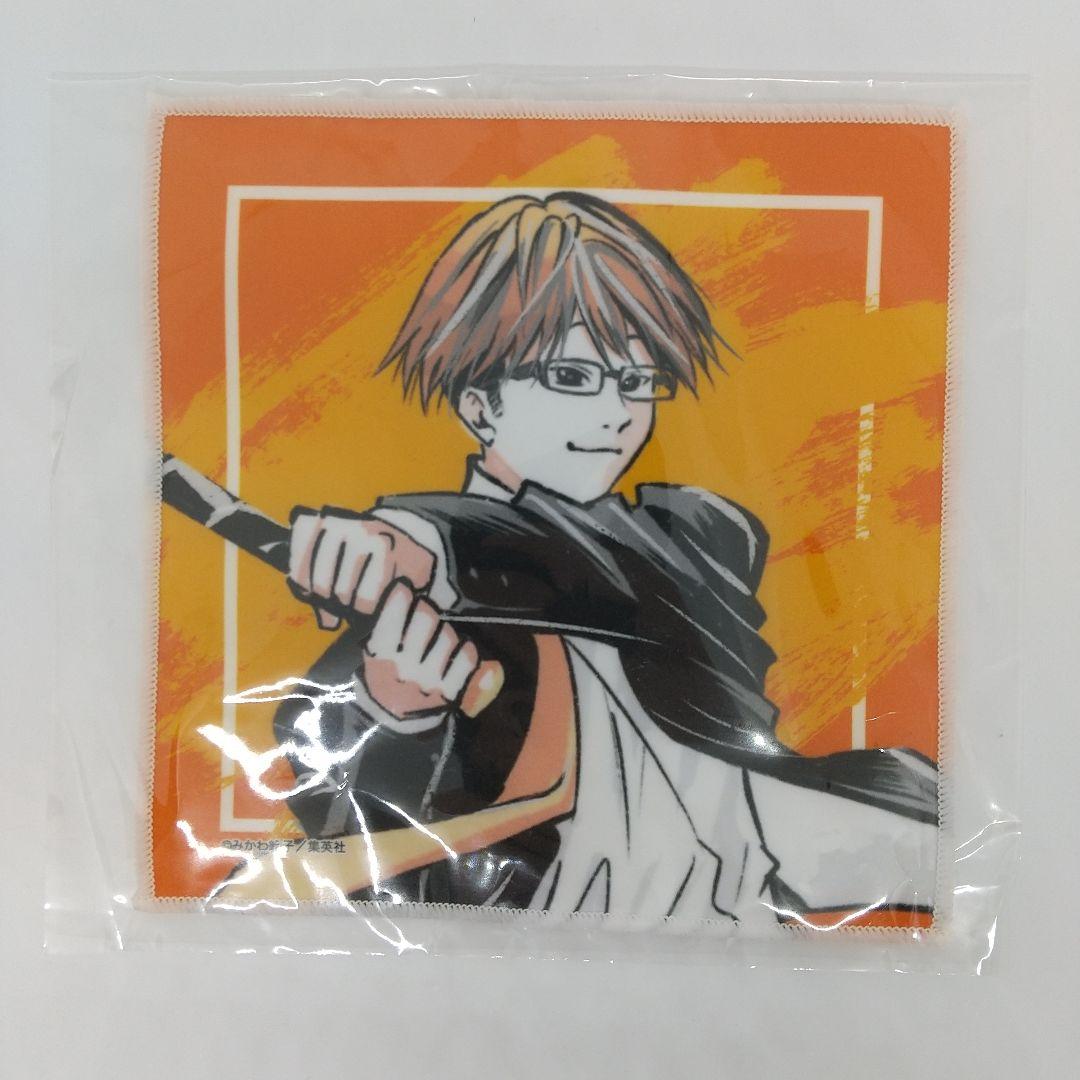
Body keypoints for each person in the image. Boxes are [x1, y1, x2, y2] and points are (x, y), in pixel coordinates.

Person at [269, 192, 937, 927]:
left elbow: (568, 562)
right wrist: (399, 718)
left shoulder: (694, 539)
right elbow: (365, 874)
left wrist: (422, 540)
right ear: (479, 406)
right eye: (572, 378)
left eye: (637, 383)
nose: (617, 414)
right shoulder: (356, 676)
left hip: (747, 945)